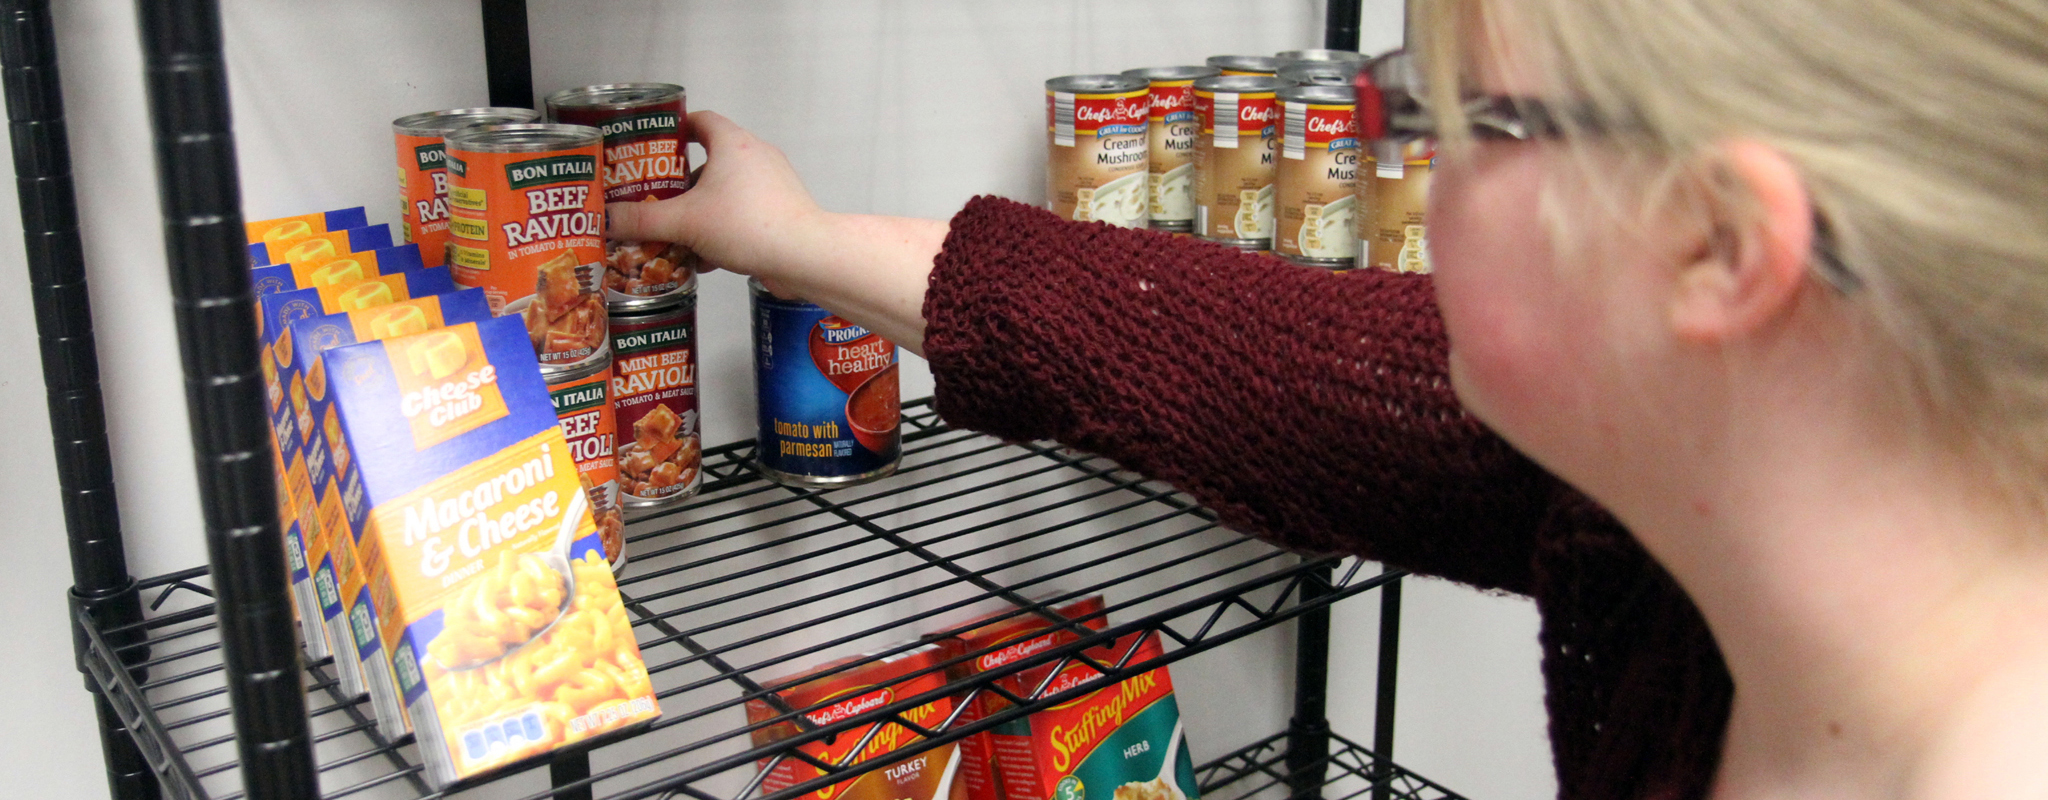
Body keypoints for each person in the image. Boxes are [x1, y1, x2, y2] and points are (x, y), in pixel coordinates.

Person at [610, 1, 2048, 797]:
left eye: (1447, 119)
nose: (1402, 173)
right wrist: (785, 238)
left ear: (1718, 245)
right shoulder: (1686, 480)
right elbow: (1210, 345)